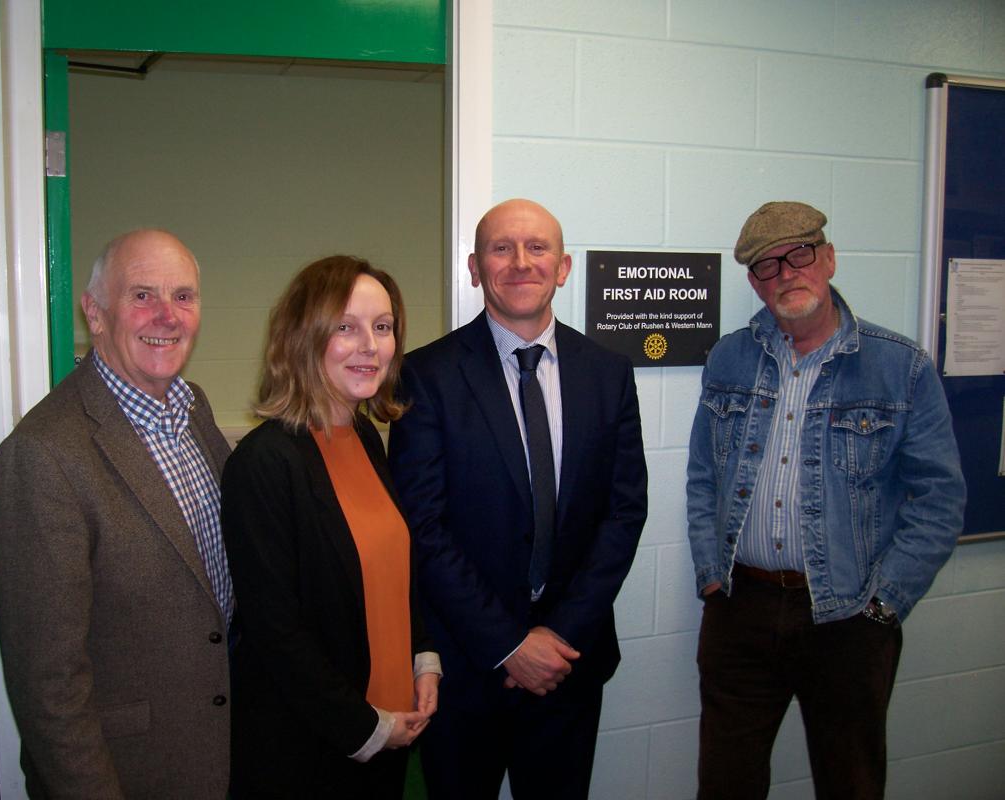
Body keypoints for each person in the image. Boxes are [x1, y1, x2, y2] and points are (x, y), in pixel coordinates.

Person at [685, 201, 966, 799]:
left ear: (829, 258)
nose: (786, 273)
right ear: (754, 283)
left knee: (850, 784)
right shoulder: (728, 358)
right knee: (724, 784)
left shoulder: (900, 367)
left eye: (799, 255)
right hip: (741, 606)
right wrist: (711, 575)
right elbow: (703, 476)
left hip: (847, 618)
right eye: (767, 266)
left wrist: (883, 605)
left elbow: (939, 499)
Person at [388, 198, 649, 799]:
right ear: (476, 267)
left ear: (564, 267)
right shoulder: (425, 375)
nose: (520, 262)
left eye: (538, 248)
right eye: (501, 248)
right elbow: (422, 526)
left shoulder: (609, 372)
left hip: (569, 666)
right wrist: (507, 644)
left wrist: (555, 637)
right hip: (467, 668)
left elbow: (623, 512)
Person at [0, 229, 234, 798]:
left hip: (211, 744)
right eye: (142, 295)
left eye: (184, 296)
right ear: (95, 314)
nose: (167, 316)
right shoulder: (42, 456)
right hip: (128, 768)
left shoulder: (191, 407)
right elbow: (50, 687)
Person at [220, 255, 440, 798]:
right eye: (345, 326)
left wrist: (423, 659)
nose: (370, 345)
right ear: (303, 337)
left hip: (388, 727)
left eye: (382, 327)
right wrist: (367, 728)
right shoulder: (264, 461)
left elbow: (390, 570)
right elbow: (276, 633)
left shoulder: (364, 436)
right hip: (313, 748)